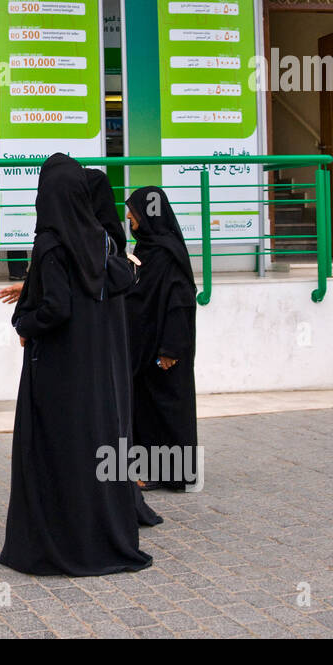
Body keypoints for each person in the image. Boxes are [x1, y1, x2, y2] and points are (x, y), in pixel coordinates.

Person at [0, 154, 152, 577]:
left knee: (52, 451)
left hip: (56, 368)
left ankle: (54, 541)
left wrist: (24, 324)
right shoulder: (98, 241)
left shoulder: (50, 242)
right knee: (89, 448)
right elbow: (87, 288)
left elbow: (56, 308)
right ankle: (97, 537)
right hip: (95, 371)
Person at [125, 186, 198, 491]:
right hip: (145, 344)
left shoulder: (168, 254)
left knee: (167, 408)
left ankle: (172, 474)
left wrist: (170, 348)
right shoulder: (146, 250)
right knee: (147, 407)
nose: (129, 217)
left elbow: (180, 302)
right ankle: (148, 468)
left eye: (134, 213)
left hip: (165, 350)